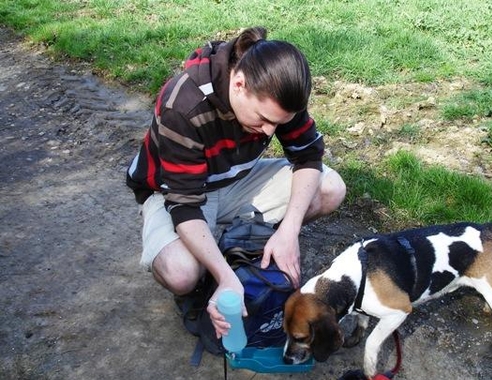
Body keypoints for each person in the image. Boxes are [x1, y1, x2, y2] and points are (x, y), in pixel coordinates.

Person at [126, 26, 346, 340]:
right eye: (263, 119)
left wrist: (289, 231)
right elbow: (185, 207)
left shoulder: (278, 90)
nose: (270, 132)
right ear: (239, 84)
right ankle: (217, 263)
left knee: (330, 188)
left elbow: (309, 156)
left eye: (278, 123)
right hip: (174, 194)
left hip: (232, 180)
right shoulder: (184, 104)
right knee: (181, 272)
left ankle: (234, 245)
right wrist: (227, 279)